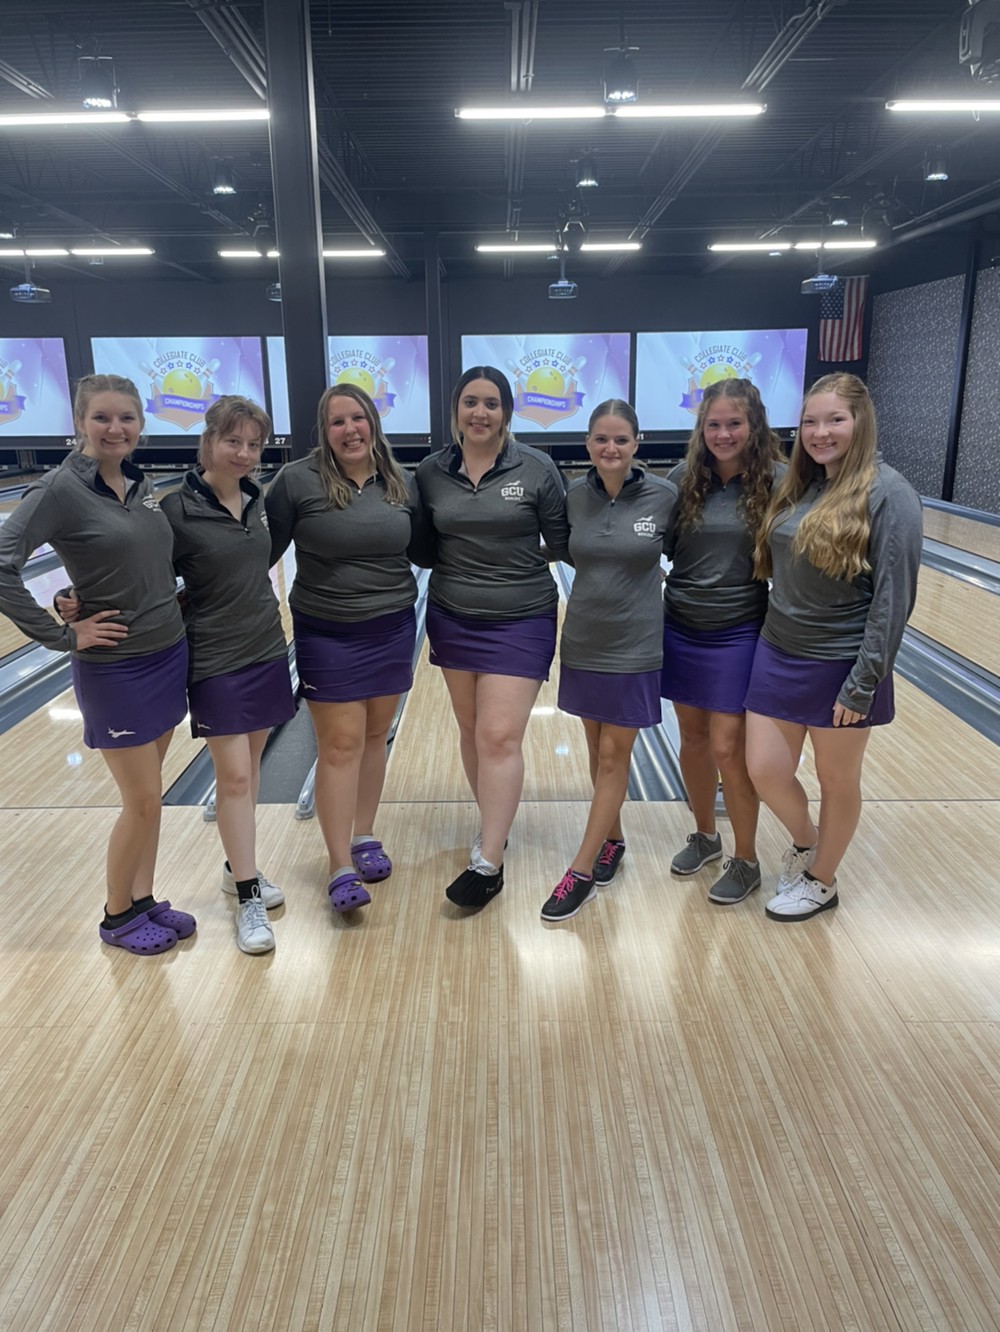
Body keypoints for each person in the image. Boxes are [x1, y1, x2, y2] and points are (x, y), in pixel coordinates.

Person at [0, 374, 195, 954]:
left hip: (166, 654)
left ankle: (144, 899)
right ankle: (117, 917)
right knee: (142, 801)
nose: (116, 429)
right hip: (117, 668)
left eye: (127, 418)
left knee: (151, 795)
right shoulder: (59, 490)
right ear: (80, 423)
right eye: (103, 418)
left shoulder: (139, 485)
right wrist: (61, 633)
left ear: (141, 424)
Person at [744, 372, 922, 921]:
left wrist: (863, 681)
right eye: (810, 422)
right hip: (777, 651)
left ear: (861, 421)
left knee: (836, 779)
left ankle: (822, 880)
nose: (820, 432)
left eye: (834, 420)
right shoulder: (803, 484)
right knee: (765, 769)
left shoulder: (889, 492)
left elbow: (893, 599)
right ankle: (809, 842)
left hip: (842, 663)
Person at [266, 383, 425, 916]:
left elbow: (429, 544)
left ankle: (364, 835)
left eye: (358, 418)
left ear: (373, 423)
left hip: (393, 627)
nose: (350, 429)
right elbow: (256, 550)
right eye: (338, 422)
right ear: (324, 431)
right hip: (327, 631)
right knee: (339, 745)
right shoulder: (295, 482)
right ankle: (338, 864)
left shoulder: (401, 481)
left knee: (375, 736)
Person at [415, 365, 569, 910]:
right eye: (470, 402)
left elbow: (565, 541)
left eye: (492, 403)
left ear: (507, 411)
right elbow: (422, 546)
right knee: (471, 728)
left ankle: (490, 860)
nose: (480, 413)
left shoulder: (537, 468)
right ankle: (491, 825)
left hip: (522, 616)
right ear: (456, 408)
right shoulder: (433, 471)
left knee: (499, 736)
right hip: (455, 615)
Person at [161, 397, 295, 954]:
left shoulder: (257, 499)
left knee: (251, 772)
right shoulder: (173, 510)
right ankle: (247, 896)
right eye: (232, 441)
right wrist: (76, 599)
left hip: (265, 646)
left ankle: (237, 865)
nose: (243, 453)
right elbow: (140, 575)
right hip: (213, 658)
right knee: (234, 777)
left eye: (254, 444)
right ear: (208, 441)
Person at [540, 401, 677, 921]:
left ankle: (579, 871)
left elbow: (683, 553)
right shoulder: (576, 498)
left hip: (636, 645)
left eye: (621, 439)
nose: (611, 448)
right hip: (584, 642)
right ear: (588, 443)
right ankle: (613, 840)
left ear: (637, 443)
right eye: (600, 439)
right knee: (598, 755)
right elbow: (573, 553)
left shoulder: (665, 497)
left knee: (615, 758)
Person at [661, 378, 784, 905]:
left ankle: (747, 858)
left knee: (729, 747)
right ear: (701, 428)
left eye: (734, 423)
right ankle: (706, 835)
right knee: (691, 738)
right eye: (713, 424)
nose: (723, 433)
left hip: (738, 631)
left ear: (753, 424)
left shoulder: (779, 483)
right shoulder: (681, 479)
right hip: (682, 626)